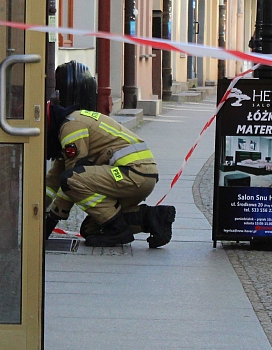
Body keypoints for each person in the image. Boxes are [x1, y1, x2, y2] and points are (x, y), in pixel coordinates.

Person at [44, 106, 175, 247]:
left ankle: (118, 230)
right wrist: (34, 213)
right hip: (138, 176)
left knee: (71, 179)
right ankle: (153, 217)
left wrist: (52, 218)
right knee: (90, 230)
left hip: (131, 173)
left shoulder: (71, 127)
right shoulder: (70, 123)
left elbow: (71, 179)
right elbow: (53, 181)